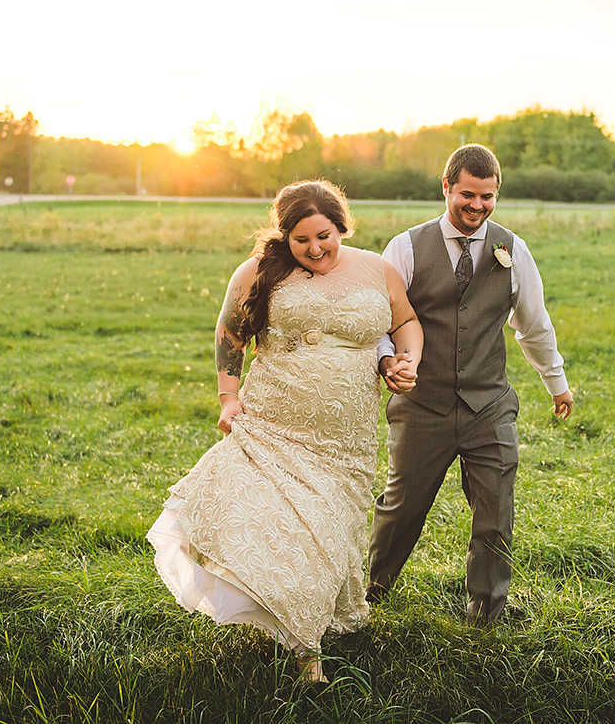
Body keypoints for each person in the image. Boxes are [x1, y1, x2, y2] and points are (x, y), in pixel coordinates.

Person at [147, 180, 422, 683]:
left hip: (346, 437)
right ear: (284, 237)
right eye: (301, 240)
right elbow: (230, 332)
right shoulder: (258, 271)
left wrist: (409, 360)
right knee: (292, 530)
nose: (315, 249)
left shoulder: (376, 269)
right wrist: (228, 398)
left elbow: (406, 322)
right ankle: (305, 653)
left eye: (324, 236)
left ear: (342, 226)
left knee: (328, 531)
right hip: (274, 423)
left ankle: (301, 621)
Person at [368, 143, 573, 626]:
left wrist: (556, 382)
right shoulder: (405, 247)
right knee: (403, 508)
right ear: (446, 188)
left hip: (489, 404)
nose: (477, 207)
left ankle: (486, 613)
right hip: (422, 404)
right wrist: (385, 361)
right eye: (467, 195)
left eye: (487, 197)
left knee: (496, 512)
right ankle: (372, 593)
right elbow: (376, 319)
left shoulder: (513, 249)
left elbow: (534, 324)